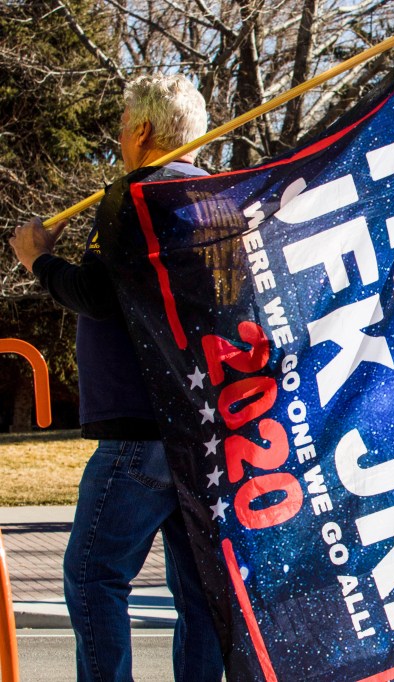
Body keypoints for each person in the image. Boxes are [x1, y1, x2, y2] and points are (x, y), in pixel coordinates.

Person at [8, 75, 223, 681]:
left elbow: (99, 296)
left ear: (144, 130)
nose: (119, 134)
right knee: (199, 589)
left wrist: (39, 260)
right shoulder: (221, 203)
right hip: (201, 431)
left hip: (139, 430)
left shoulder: (136, 198)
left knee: (93, 575)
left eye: (124, 121)